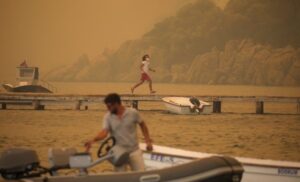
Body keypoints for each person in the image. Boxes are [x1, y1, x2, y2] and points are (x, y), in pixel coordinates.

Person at [84, 93, 153, 172]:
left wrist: (148, 141)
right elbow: (104, 132)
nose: (108, 109)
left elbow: (143, 125)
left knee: (141, 175)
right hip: (119, 153)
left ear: (116, 104)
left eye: (109, 106)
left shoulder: (133, 113)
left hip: (134, 151)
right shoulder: (108, 117)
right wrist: (93, 140)